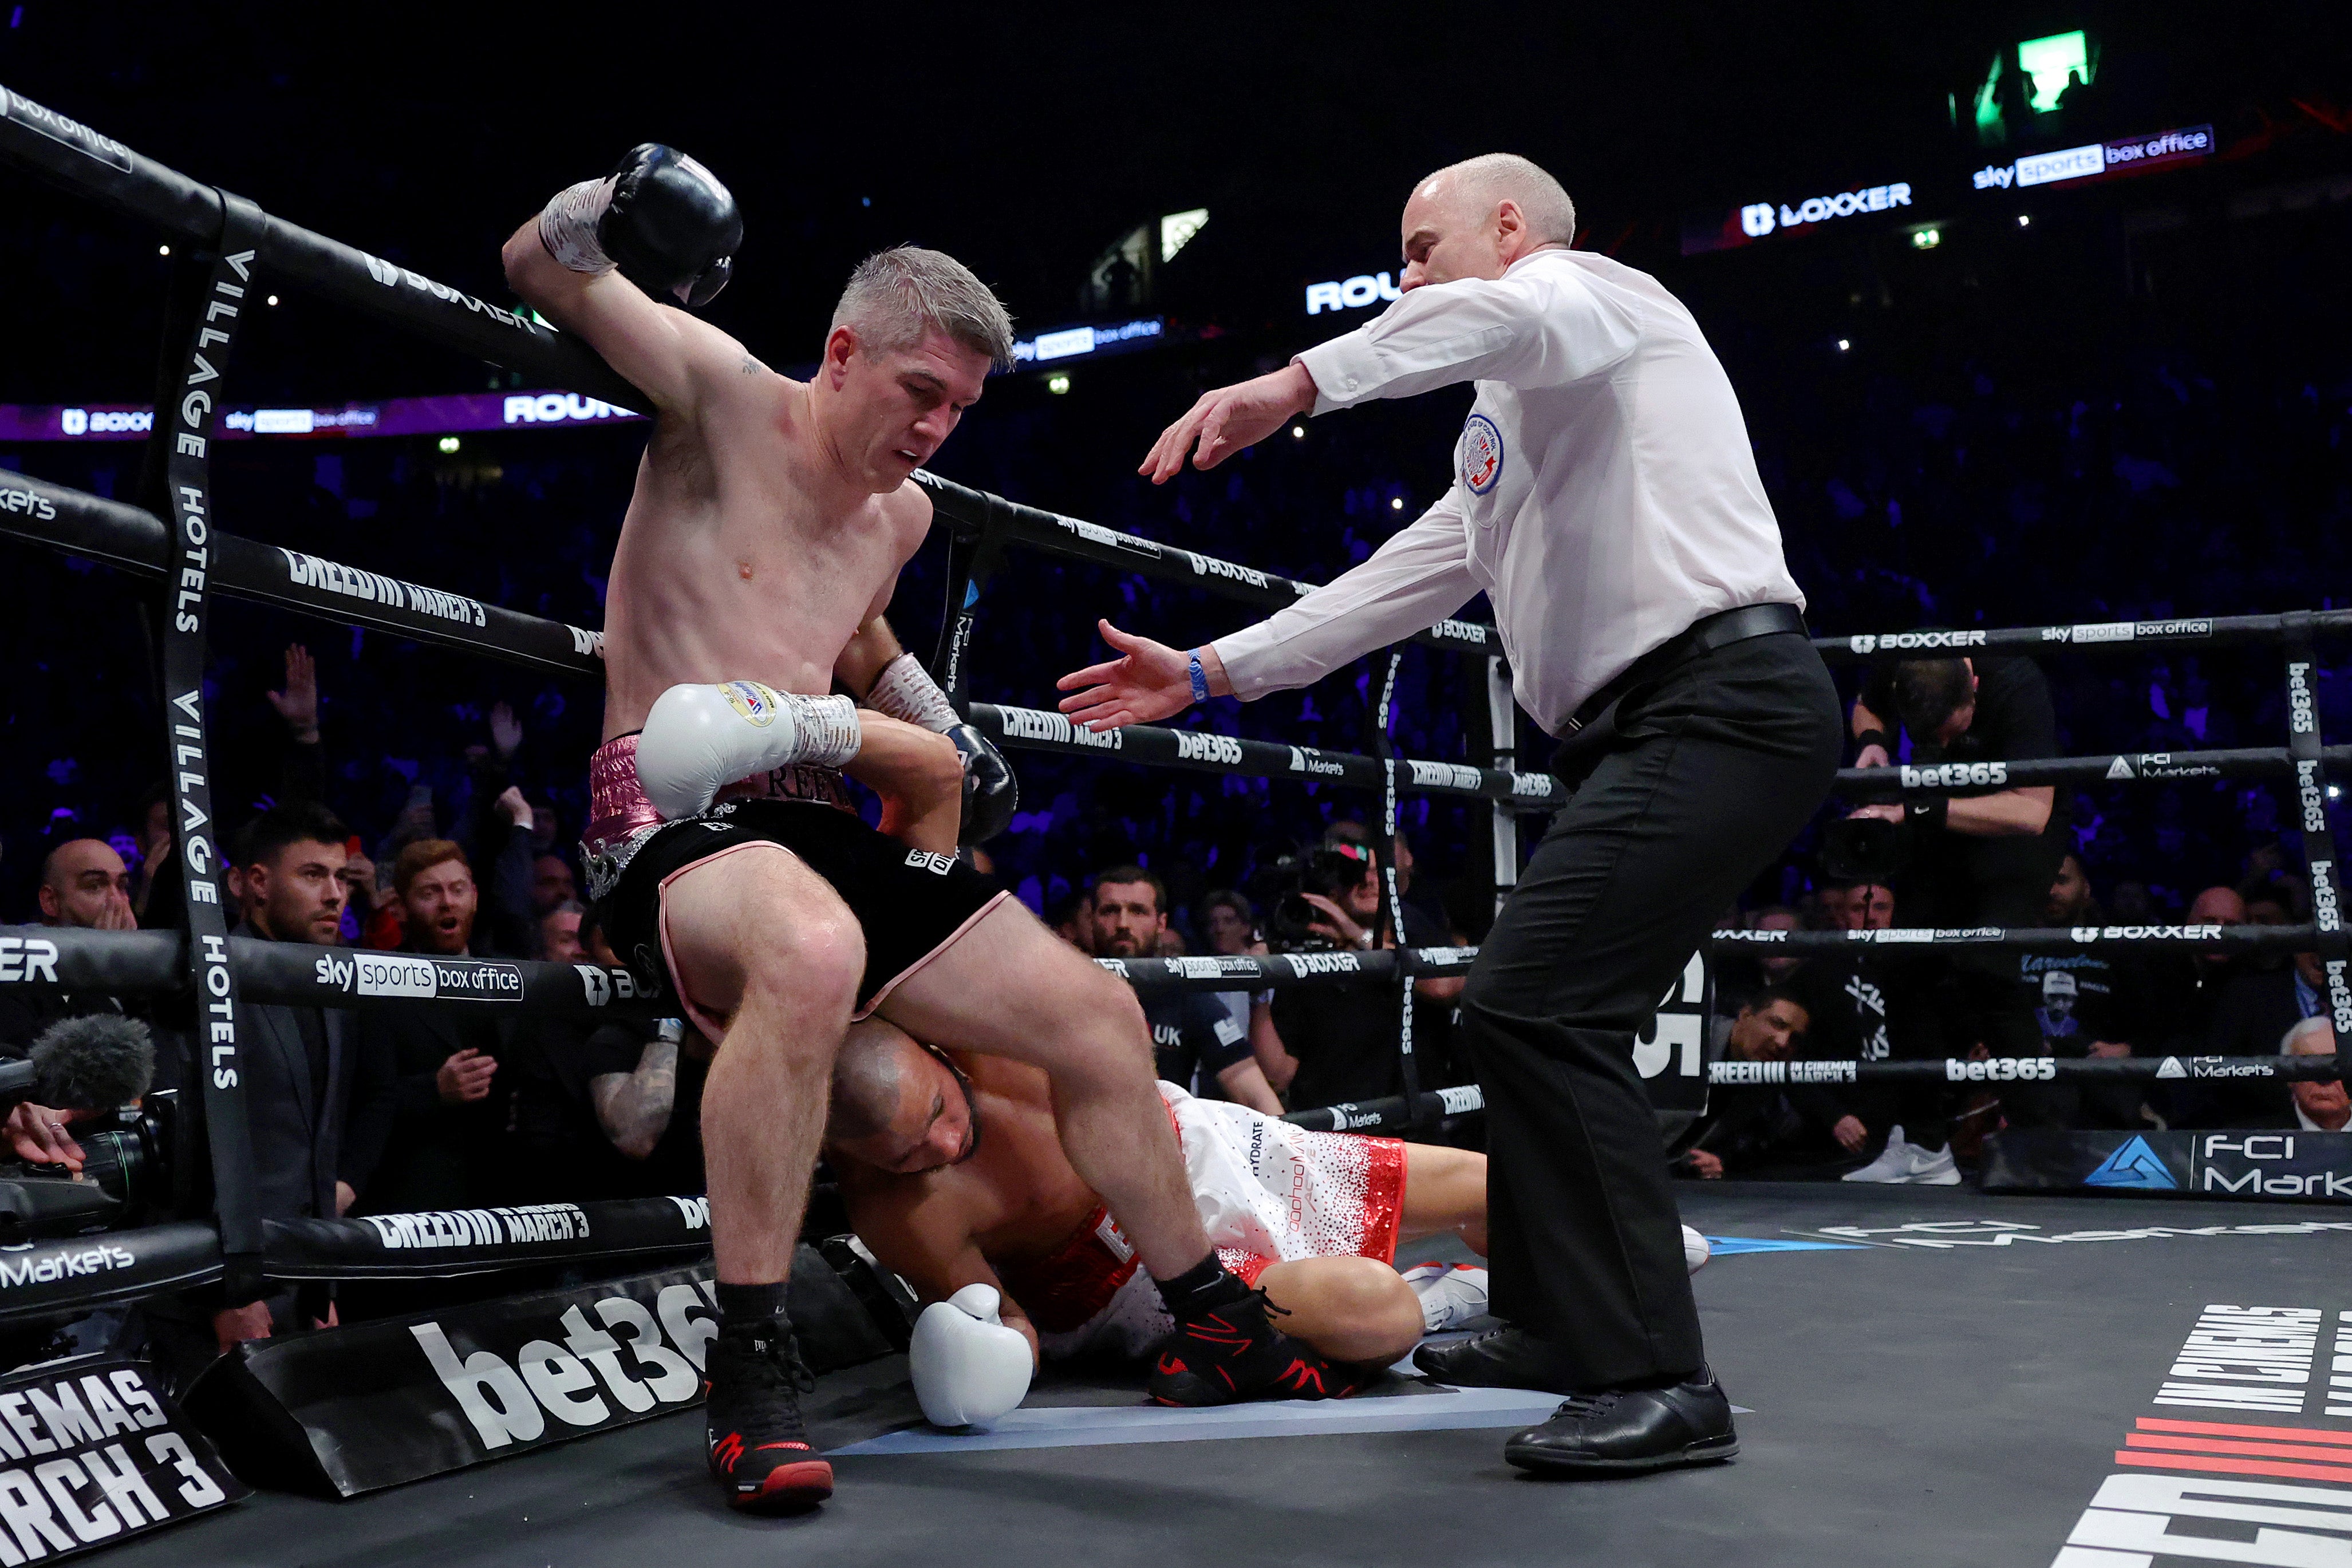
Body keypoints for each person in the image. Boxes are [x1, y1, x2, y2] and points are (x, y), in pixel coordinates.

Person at [505, 149, 1331, 1511]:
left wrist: (929, 712)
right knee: (814, 949)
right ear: (840, 354)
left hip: (820, 810)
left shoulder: (905, 514)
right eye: (918, 393)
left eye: (959, 406)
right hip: (668, 809)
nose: (938, 426)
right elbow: (538, 268)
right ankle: (752, 1361)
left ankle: (1207, 1317)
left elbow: (858, 627)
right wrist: (614, 197)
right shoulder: (718, 398)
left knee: (1093, 1015)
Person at [1059, 152, 1840, 1475]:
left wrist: (1294, 381)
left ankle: (1658, 1375)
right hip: (1641, 732)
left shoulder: (1595, 299)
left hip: (1720, 700)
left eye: (1422, 247)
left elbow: (1499, 314)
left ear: (1509, 225)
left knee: (1537, 1003)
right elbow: (1394, 586)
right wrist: (1205, 672)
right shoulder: (1503, 430)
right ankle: (1543, 1317)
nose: (1404, 275)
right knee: (1524, 1009)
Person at [826, 1019, 1535, 1379]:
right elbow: (1013, 1332)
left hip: (1193, 1143)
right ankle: (1454, 1296)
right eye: (909, 1156)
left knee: (1497, 1189)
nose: (945, 1147)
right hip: (1135, 1282)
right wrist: (982, 1362)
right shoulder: (900, 1214)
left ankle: (1589, 1321)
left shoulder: (984, 1023)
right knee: (1380, 1312)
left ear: (938, 1057)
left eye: (939, 1113)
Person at [1848, 652, 2070, 1125]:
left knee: (1987, 964)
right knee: (1902, 961)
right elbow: (1866, 704)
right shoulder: (1903, 661)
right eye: (1932, 737)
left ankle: (2037, 1140)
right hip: (1936, 810)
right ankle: (1923, 1145)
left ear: (1973, 682)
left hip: (2012, 823)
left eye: (1952, 729)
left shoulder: (2016, 684)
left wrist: (1916, 812)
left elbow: (2032, 813)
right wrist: (1872, 743)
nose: (1944, 743)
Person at [1089, 867, 1281, 1113]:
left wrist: (1291, 1149)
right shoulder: (1064, 990)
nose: (1123, 924)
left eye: (1138, 911)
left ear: (1161, 923)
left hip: (1160, 1142)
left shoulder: (1186, 995)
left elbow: (1257, 1096)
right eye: (1110, 911)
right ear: (1092, 918)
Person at [2281, 1017, 2350, 1133]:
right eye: (2311, 1065)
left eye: (2336, 1066)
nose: (2324, 1080)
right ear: (2289, 1078)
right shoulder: (2256, 1133)